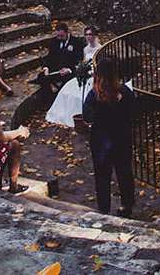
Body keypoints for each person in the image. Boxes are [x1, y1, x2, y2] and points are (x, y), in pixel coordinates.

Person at [82, 57, 136, 217]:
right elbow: (134, 113)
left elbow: (87, 116)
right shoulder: (125, 92)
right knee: (124, 172)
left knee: (102, 175)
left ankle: (104, 208)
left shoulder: (95, 95)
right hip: (121, 137)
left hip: (101, 140)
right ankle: (127, 205)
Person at [46, 26, 103, 128]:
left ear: (95, 35)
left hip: (95, 75)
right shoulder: (85, 49)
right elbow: (83, 62)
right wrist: (82, 71)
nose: (88, 37)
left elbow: (99, 65)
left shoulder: (100, 48)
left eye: (90, 34)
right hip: (86, 74)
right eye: (86, 35)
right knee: (67, 91)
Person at [34, 23, 84, 91]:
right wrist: (46, 67)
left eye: (61, 36)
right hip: (56, 69)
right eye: (58, 36)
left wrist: (69, 69)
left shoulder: (76, 42)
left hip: (69, 71)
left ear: (67, 32)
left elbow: (79, 59)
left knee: (65, 83)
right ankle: (48, 97)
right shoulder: (54, 41)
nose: (59, 38)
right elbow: (50, 56)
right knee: (41, 76)